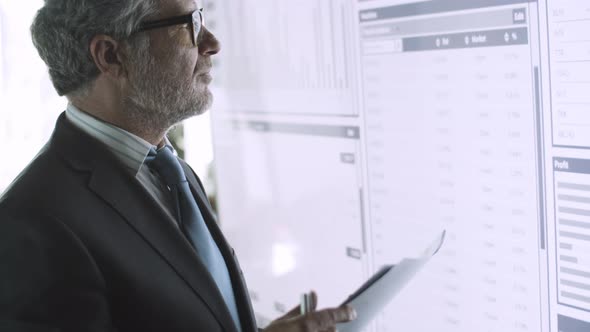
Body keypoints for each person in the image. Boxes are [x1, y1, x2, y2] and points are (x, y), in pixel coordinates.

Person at [0, 0, 356, 331]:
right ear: (111, 55)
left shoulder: (171, 171)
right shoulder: (31, 223)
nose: (212, 43)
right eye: (190, 24)